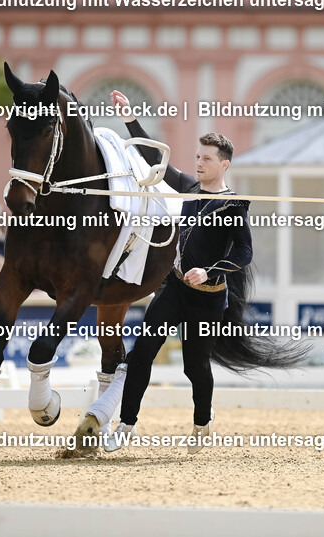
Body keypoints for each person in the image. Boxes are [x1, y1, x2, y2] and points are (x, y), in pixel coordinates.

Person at [96, 89, 252, 455]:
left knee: (194, 367)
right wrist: (130, 118)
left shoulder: (234, 205)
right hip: (174, 288)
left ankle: (202, 421)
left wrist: (210, 271)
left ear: (224, 164)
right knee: (140, 355)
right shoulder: (187, 188)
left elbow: (245, 252)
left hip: (209, 299)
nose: (199, 163)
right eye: (197, 157)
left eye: (207, 159)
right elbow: (155, 158)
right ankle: (127, 423)